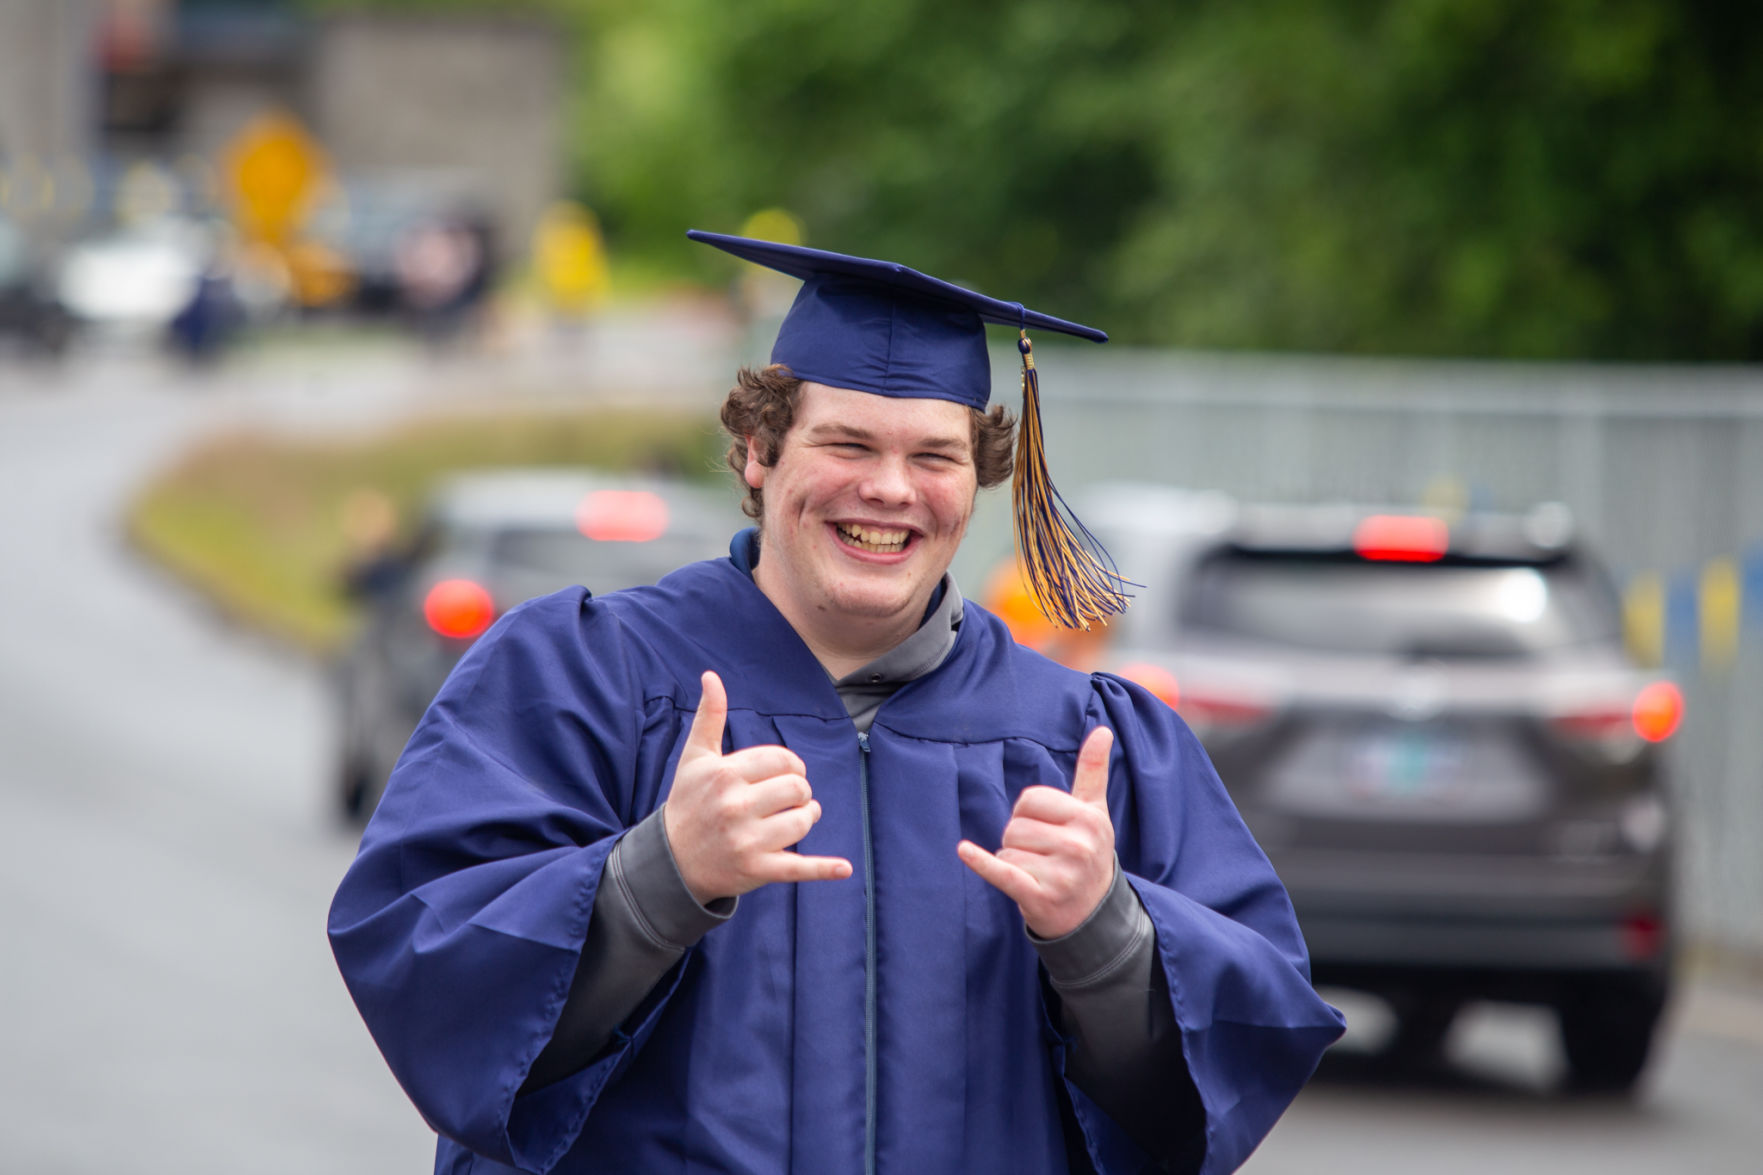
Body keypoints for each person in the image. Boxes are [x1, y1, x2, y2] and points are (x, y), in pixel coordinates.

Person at [328, 230, 1344, 1175]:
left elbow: (1244, 1043)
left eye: (933, 456)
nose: (891, 488)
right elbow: (421, 958)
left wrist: (1108, 935)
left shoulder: (1089, 740)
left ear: (978, 477)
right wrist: (652, 878)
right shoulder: (580, 677)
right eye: (847, 445)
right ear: (758, 454)